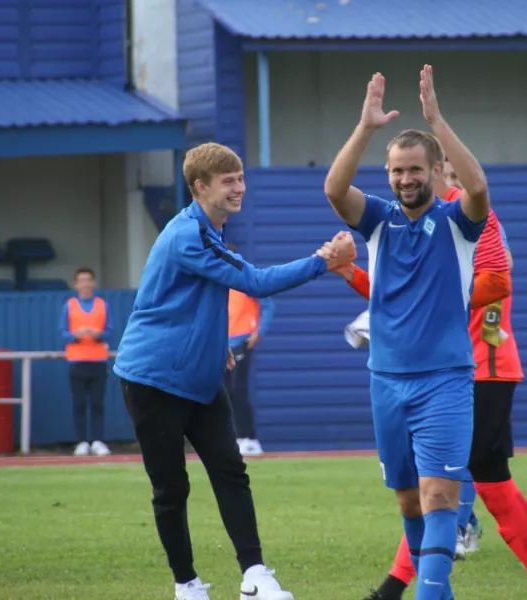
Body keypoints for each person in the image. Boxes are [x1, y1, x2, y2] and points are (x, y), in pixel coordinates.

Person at [113, 142, 356, 600]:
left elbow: (191, 300)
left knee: (230, 471)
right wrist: (325, 261)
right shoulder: (190, 234)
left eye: (241, 178)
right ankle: (187, 585)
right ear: (200, 187)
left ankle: (255, 576)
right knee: (171, 488)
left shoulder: (208, 230)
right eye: (228, 181)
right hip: (152, 378)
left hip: (199, 377)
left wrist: (214, 346)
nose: (239, 187)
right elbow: (255, 282)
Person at [339, 142, 527, 600]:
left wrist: (440, 298)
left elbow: (500, 277)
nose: (415, 178)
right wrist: (353, 275)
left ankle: (406, 582)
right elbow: (396, 294)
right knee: (458, 488)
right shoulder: (400, 218)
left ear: (437, 169)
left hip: (478, 365)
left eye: (440, 170)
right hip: (435, 369)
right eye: (401, 170)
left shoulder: (464, 214)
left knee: (455, 489)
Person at [324, 65, 489, 600]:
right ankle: (435, 590)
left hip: (444, 381)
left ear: (435, 171)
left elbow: (478, 187)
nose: (405, 178)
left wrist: (436, 120)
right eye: (397, 170)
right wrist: (366, 126)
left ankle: (429, 593)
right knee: (408, 501)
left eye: (415, 169)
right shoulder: (378, 220)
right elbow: (334, 189)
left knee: (439, 496)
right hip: (386, 381)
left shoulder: (458, 223)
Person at [224, 242, 275, 457]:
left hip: (242, 341)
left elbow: (268, 305)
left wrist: (259, 332)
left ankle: (249, 438)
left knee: (239, 390)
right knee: (225, 393)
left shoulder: (245, 278)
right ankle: (233, 437)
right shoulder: (219, 280)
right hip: (222, 345)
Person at [60, 267, 113, 457]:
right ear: (76, 284)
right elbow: (63, 332)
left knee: (98, 404)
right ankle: (82, 442)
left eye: (89, 280)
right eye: (81, 281)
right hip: (77, 361)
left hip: (98, 360)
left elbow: (110, 331)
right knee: (79, 404)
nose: (86, 284)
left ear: (94, 283)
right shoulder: (69, 306)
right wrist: (76, 335)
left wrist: (100, 334)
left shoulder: (103, 305)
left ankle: (98, 441)